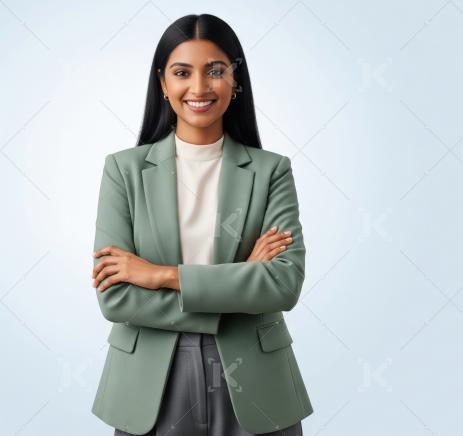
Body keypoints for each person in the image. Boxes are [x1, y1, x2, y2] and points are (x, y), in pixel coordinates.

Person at [90, 14, 312, 435]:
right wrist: (243, 279)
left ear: (235, 80)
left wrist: (161, 275)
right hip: (149, 386)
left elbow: (283, 286)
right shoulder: (123, 170)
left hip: (256, 382)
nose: (199, 87)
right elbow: (116, 300)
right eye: (182, 72)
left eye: (215, 71)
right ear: (162, 82)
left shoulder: (271, 172)